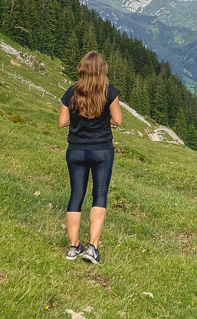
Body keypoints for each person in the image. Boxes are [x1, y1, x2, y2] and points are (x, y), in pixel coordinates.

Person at [59, 50, 122, 264]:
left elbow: (62, 122)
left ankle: (73, 246)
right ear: (102, 70)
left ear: (82, 70)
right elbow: (118, 120)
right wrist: (103, 118)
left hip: (75, 150)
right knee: (99, 195)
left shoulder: (71, 92)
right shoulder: (109, 92)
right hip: (101, 150)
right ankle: (92, 248)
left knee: (76, 195)